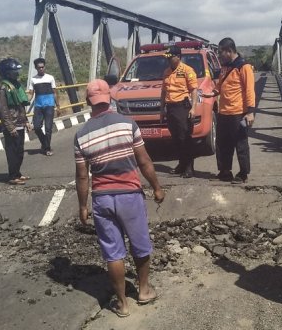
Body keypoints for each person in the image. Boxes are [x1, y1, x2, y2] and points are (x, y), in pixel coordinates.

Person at [74, 79, 165, 318]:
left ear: (88, 102)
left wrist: (83, 206)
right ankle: (144, 291)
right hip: (129, 196)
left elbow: (82, 176)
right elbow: (144, 161)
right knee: (140, 244)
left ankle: (123, 304)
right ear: (110, 98)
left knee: (113, 253)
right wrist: (156, 187)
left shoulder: (81, 135)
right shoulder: (128, 124)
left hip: (102, 199)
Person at [204, 37, 255, 184]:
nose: (219, 55)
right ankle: (225, 171)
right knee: (222, 144)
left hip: (237, 113)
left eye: (221, 52)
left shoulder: (243, 67)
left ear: (230, 51)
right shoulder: (225, 67)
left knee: (240, 144)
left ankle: (243, 173)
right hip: (223, 112)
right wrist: (212, 93)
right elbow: (220, 85)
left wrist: (250, 111)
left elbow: (250, 90)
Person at [159, 45, 198, 178]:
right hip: (170, 108)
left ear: (178, 57)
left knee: (185, 138)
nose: (168, 60)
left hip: (182, 107)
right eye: (167, 58)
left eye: (171, 57)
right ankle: (181, 164)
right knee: (175, 139)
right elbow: (164, 91)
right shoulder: (166, 72)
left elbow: (193, 90)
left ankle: (189, 167)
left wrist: (193, 108)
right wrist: (161, 109)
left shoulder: (187, 70)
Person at [0, 57, 31, 185]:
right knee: (12, 151)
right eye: (14, 71)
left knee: (19, 151)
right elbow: (3, 110)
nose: (17, 74)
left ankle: (17, 173)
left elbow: (20, 106)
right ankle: (12, 176)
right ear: (6, 73)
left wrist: (26, 121)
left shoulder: (16, 86)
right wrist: (10, 127)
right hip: (11, 125)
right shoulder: (3, 89)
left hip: (20, 123)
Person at [28, 57, 60, 156]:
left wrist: (58, 106)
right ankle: (45, 143)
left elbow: (55, 93)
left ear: (44, 67)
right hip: (38, 106)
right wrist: (25, 102)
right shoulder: (33, 79)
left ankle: (47, 148)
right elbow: (30, 94)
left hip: (49, 105)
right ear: (36, 68)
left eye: (42, 67)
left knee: (48, 128)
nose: (41, 69)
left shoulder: (50, 78)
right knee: (37, 127)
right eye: (39, 67)